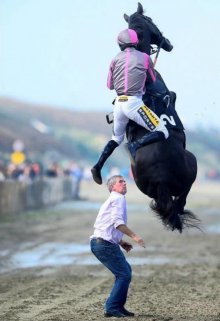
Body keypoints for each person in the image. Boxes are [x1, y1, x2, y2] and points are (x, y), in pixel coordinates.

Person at [91, 28, 169, 185]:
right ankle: (135, 145)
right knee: (163, 131)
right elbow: (152, 81)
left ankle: (98, 165)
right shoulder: (145, 58)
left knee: (116, 138)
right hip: (134, 104)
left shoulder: (114, 59)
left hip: (118, 105)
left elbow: (109, 85)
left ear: (120, 44)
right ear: (136, 42)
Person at [90, 175, 145, 318]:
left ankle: (118, 306)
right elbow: (118, 223)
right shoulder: (117, 198)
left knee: (125, 272)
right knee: (124, 274)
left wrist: (121, 242)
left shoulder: (115, 199)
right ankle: (112, 307)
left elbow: (107, 225)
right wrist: (135, 237)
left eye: (124, 181)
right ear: (113, 187)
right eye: (121, 182)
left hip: (103, 243)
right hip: (103, 244)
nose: (124, 183)